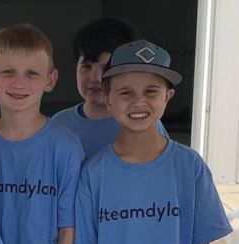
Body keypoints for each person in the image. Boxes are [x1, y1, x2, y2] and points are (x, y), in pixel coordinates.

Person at [74, 40, 231, 244]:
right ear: (108, 99)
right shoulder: (93, 173)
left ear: (168, 96)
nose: (139, 102)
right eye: (126, 92)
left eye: (151, 91)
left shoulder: (190, 166)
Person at [0, 24, 84, 244]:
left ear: (50, 80)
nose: (19, 82)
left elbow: (69, 231)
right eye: (8, 72)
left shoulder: (66, 147)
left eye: (32, 73)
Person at [50, 17, 169, 159]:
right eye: (86, 66)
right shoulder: (59, 124)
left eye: (106, 68)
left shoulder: (144, 124)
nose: (95, 77)